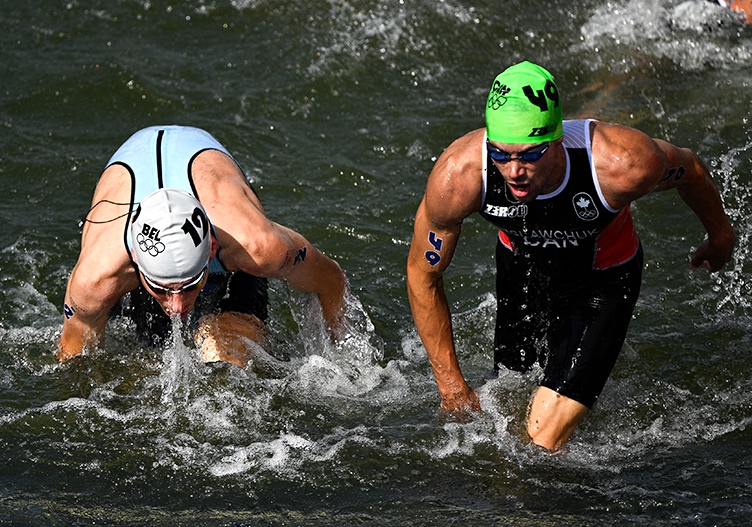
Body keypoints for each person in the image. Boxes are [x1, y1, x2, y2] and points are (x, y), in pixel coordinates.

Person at [406, 61, 735, 451]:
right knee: (506, 403)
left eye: (530, 155)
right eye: (501, 153)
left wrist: (720, 235)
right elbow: (421, 275)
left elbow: (692, 168)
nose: (513, 172)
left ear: (558, 138)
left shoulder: (621, 165)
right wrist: (452, 387)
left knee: (540, 440)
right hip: (522, 272)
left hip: (603, 279)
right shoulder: (459, 176)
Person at [58, 125, 348, 367]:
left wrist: (342, 358)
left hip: (217, 197)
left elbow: (331, 279)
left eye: (189, 285)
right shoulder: (96, 277)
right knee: (134, 370)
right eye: (161, 289)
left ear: (211, 249)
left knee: (226, 361)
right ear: (135, 257)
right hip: (134, 187)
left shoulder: (256, 245)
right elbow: (73, 365)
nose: (177, 307)